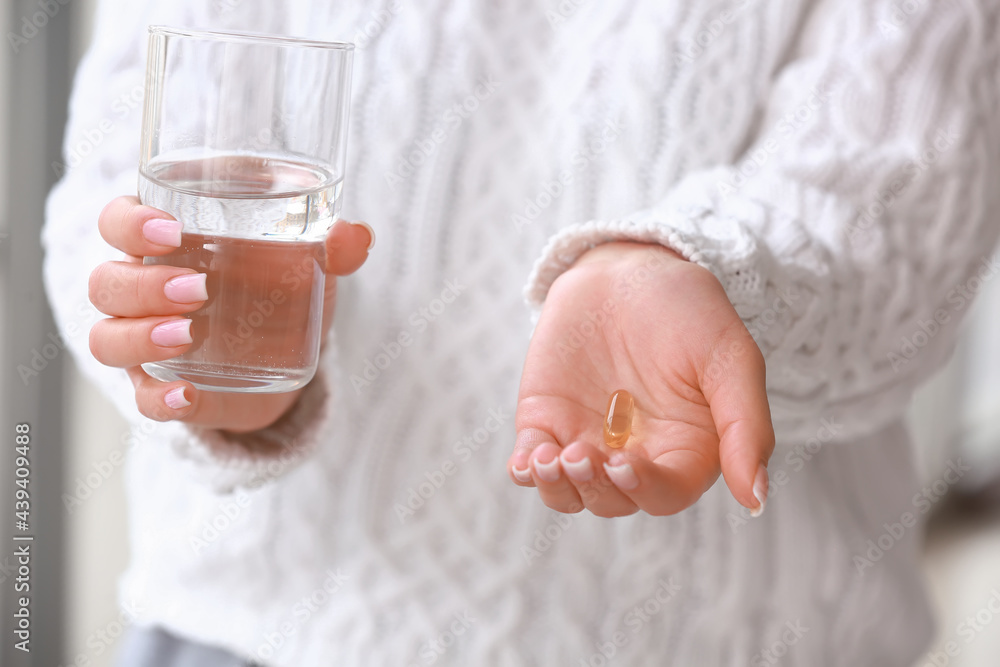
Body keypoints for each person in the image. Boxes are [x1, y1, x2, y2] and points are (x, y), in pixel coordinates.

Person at [43, 0, 1000, 665]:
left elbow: (900, 196)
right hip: (255, 627)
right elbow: (118, 167)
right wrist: (204, 353)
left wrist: (701, 272)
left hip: (717, 642)